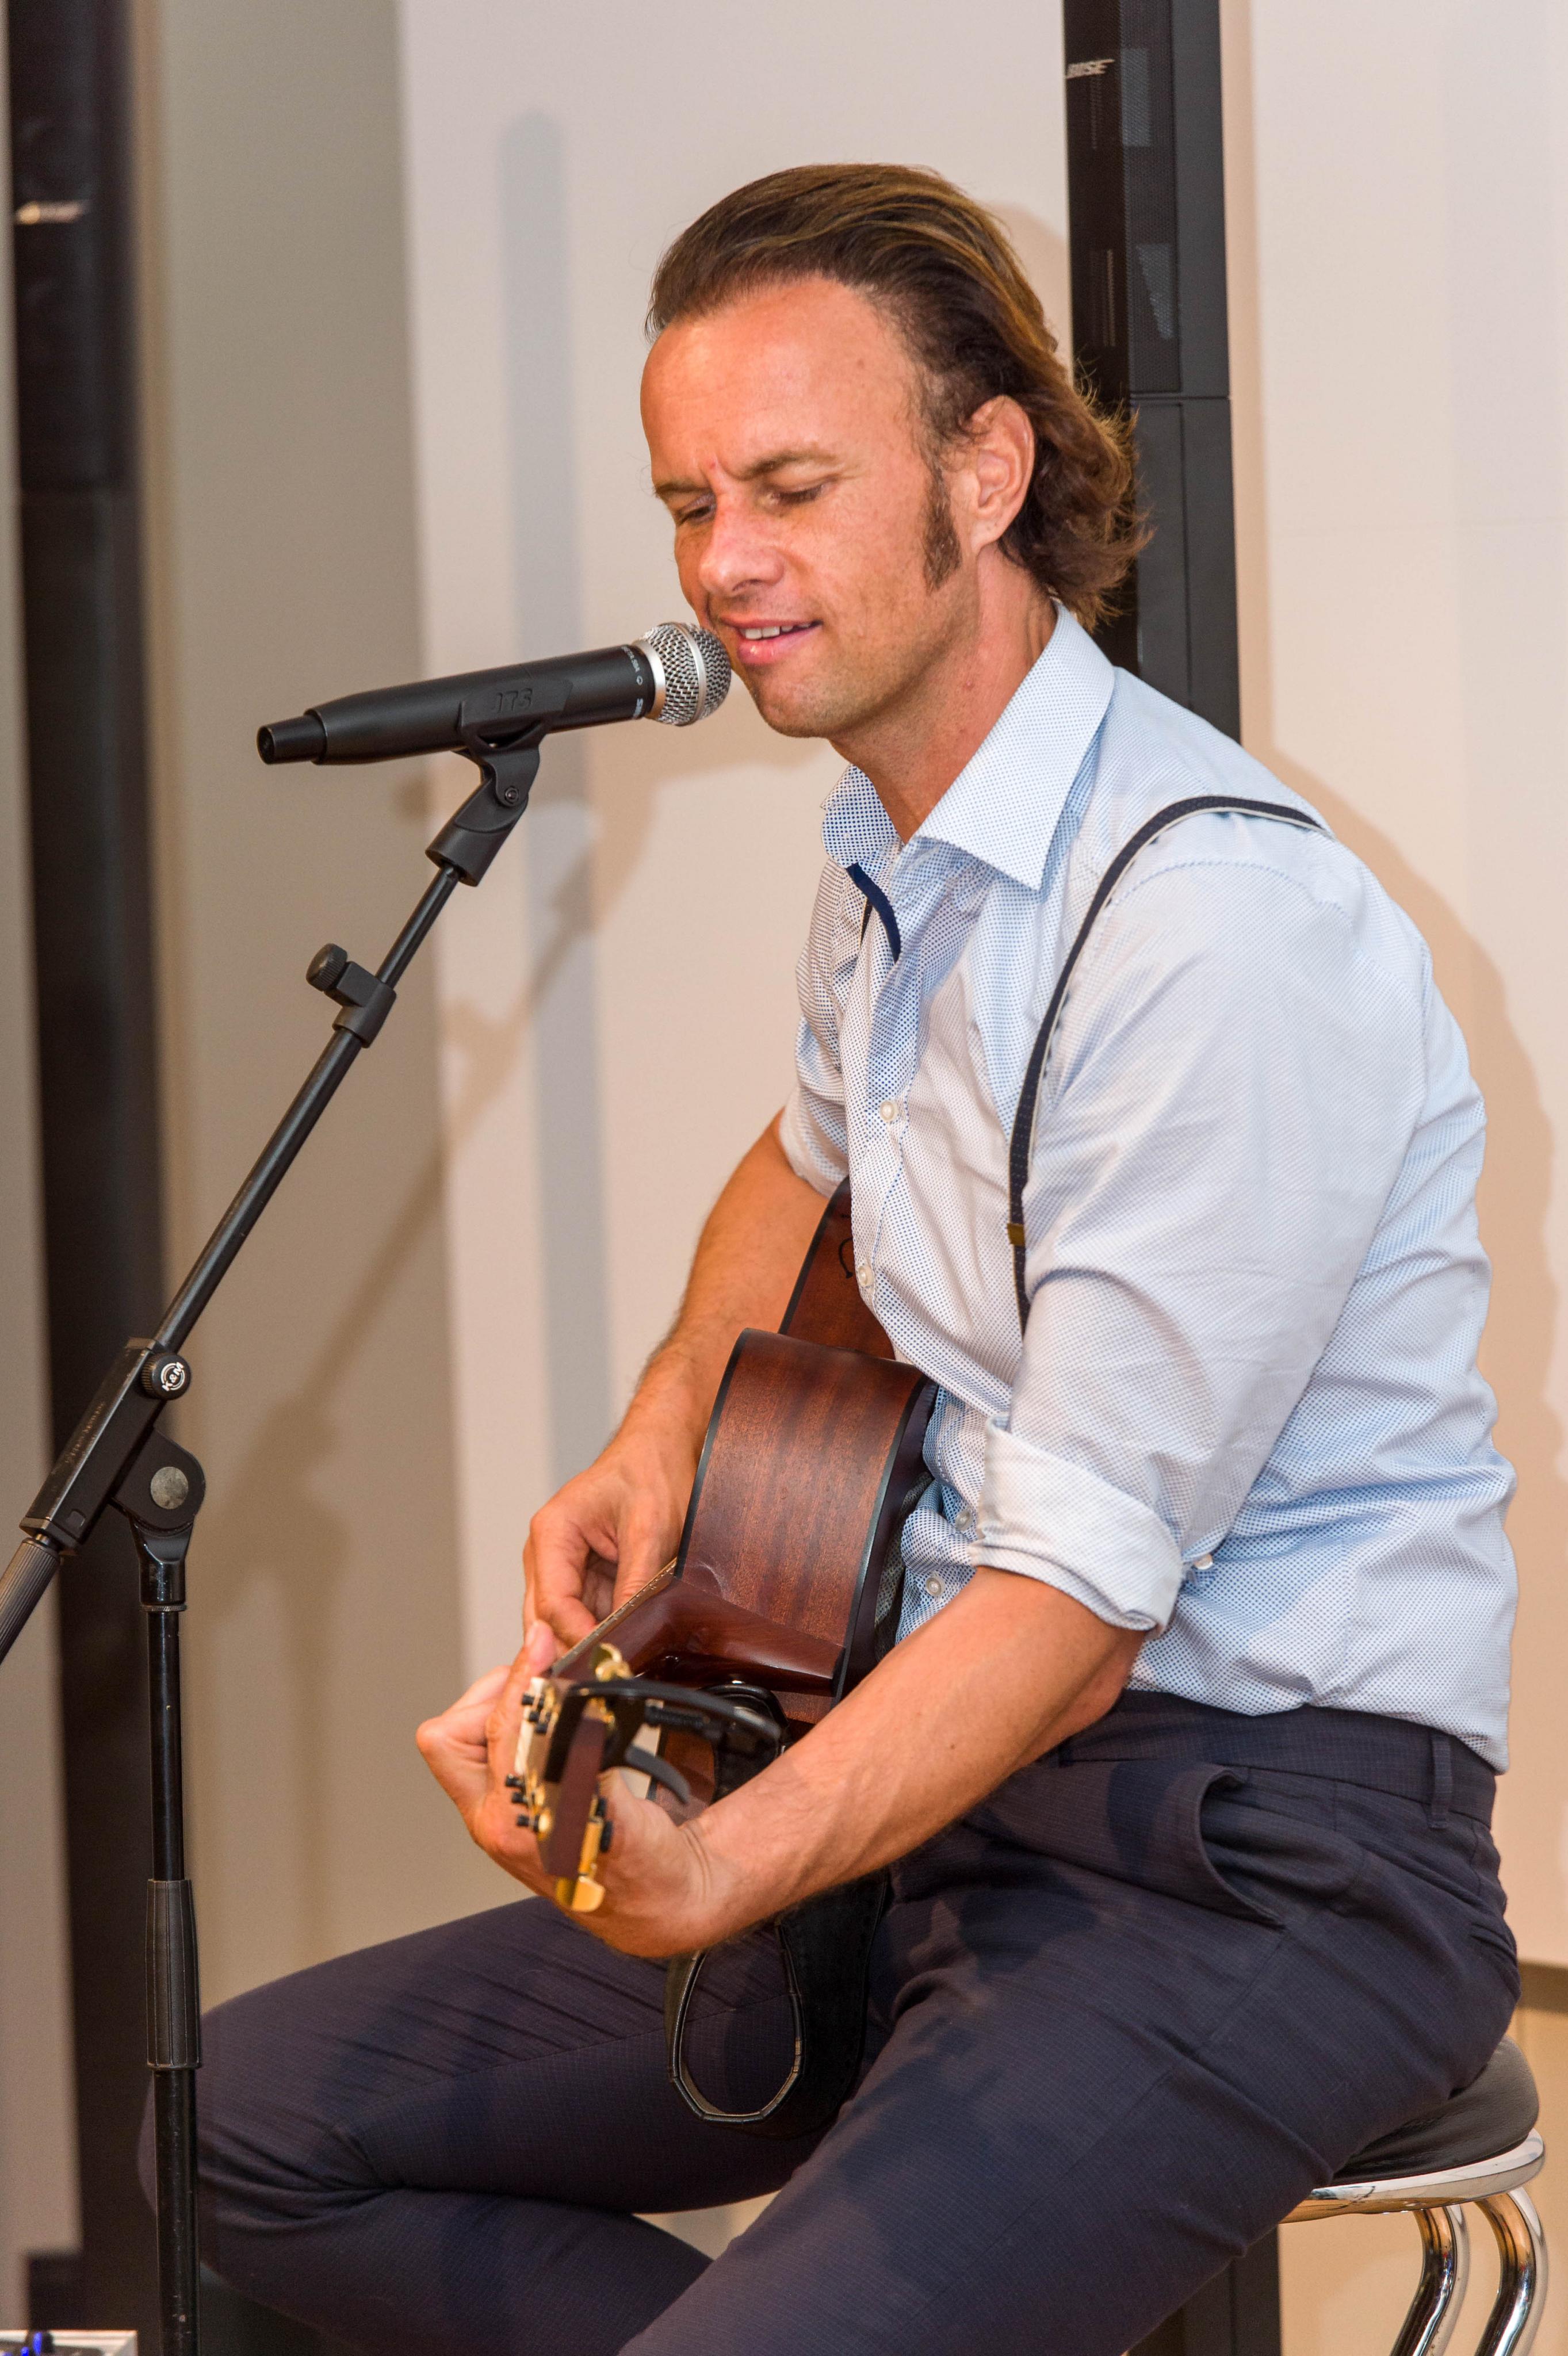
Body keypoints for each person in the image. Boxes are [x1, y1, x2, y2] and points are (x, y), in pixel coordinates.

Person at [170, 165, 1520, 2355]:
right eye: (690, 503)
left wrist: (723, 1865)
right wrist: (668, 1426)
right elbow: (802, 1166)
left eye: (790, 490)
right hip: (960, 1797)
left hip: (1261, 1855)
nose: (724, 566)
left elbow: (1073, 1610)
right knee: (239, 2127)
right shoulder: (900, 850)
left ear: (987, 470)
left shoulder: (1211, 927)